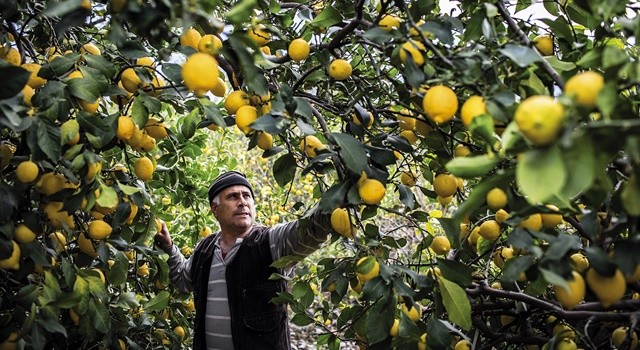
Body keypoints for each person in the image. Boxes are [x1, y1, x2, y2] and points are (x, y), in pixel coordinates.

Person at [155, 170, 331, 350]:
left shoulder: (269, 243)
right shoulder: (205, 249)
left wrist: (336, 200)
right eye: (232, 196)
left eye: (247, 196)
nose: (242, 202)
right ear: (215, 209)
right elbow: (184, 280)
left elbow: (308, 230)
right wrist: (168, 247)